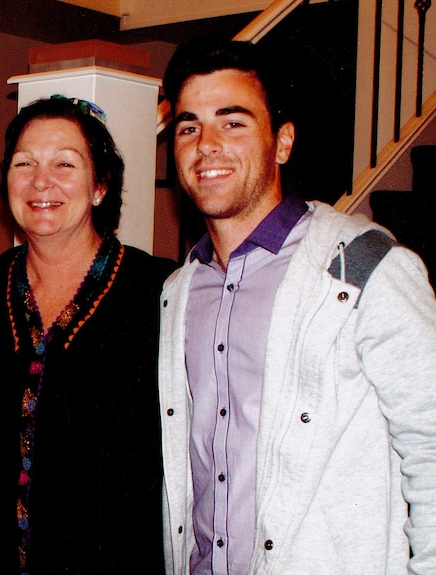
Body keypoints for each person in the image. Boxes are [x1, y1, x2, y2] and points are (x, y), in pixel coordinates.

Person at [159, 38, 436, 574]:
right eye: (189, 126)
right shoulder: (178, 292)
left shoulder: (365, 268)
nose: (206, 144)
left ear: (282, 143)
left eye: (233, 122)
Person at [0, 96, 177, 573]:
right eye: (24, 163)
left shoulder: (162, 291)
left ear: (100, 186)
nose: (41, 181)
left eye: (64, 164)